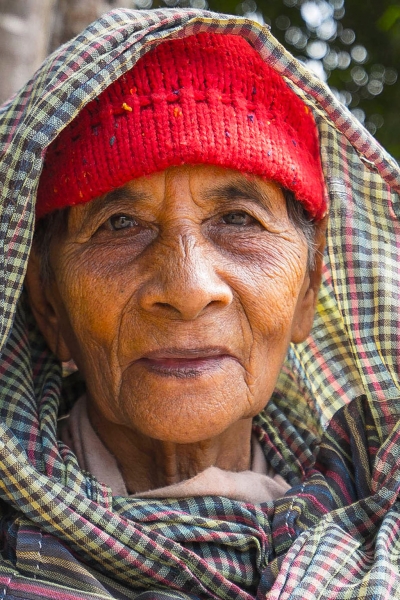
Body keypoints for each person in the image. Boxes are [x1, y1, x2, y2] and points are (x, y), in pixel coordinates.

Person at [0, 6, 399, 600]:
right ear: (48, 303)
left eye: (239, 220)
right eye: (120, 224)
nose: (187, 289)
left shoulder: (377, 522)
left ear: (307, 291)